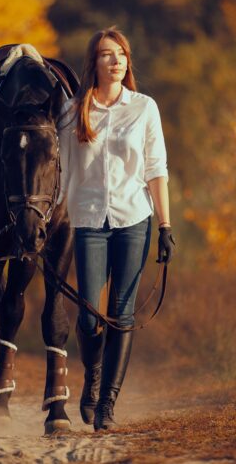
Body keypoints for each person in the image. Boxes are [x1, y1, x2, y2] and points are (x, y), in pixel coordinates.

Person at [57, 27, 176, 431]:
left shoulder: (144, 108)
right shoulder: (74, 111)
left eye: (122, 54)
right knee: (90, 316)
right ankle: (92, 376)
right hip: (89, 220)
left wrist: (165, 225)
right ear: (94, 62)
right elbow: (62, 175)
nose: (117, 61)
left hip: (133, 221)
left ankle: (106, 406)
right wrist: (45, 224)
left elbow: (156, 169)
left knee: (122, 315)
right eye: (108, 55)